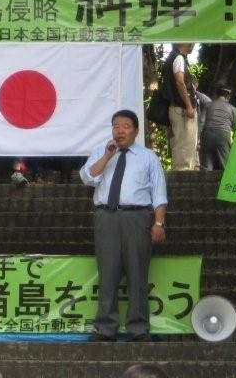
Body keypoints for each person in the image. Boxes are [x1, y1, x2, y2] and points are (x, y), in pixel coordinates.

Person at [80, 109, 167, 342]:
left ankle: (138, 328)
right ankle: (105, 328)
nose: (120, 130)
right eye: (116, 126)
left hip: (137, 218)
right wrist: (107, 156)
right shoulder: (101, 151)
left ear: (136, 131)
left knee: (137, 273)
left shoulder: (148, 157)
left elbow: (159, 193)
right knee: (107, 273)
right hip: (106, 217)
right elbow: (87, 178)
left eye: (126, 126)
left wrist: (158, 222)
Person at [162, 43, 198, 170]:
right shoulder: (178, 58)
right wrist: (189, 105)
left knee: (183, 147)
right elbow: (179, 82)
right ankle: (183, 177)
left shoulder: (172, 58)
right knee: (185, 149)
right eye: (191, 41)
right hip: (181, 110)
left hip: (176, 108)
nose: (193, 44)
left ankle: (184, 174)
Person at [199, 85, 236, 171]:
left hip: (207, 135)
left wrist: (198, 139)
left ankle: (205, 178)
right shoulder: (232, 108)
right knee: (225, 166)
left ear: (217, 94)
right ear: (228, 96)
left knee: (206, 167)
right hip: (223, 135)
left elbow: (201, 122)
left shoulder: (208, 105)